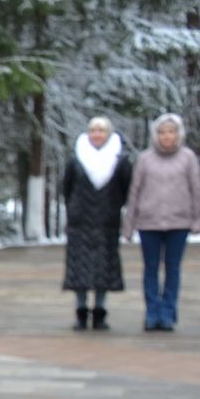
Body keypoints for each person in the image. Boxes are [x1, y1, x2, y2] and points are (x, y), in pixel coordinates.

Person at [123, 114, 200, 332]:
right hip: (148, 222)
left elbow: (197, 190)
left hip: (179, 222)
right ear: (155, 135)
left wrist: (199, 218)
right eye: (162, 132)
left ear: (179, 134)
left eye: (171, 132)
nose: (167, 136)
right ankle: (152, 312)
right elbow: (135, 191)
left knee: (173, 268)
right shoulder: (145, 159)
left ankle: (168, 312)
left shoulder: (188, 158)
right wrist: (129, 224)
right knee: (150, 268)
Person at [60, 116, 131, 330]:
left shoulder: (120, 161)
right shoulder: (76, 160)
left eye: (102, 130)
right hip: (80, 223)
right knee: (79, 269)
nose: (97, 134)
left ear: (108, 134)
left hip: (106, 222)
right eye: (93, 130)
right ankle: (81, 312)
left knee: (104, 269)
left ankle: (100, 312)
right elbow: (67, 189)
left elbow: (125, 189)